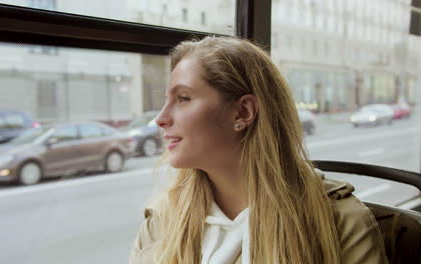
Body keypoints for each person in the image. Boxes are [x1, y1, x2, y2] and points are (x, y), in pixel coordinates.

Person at [129, 36, 388, 264]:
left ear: (243, 112)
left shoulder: (340, 222)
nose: (161, 119)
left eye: (183, 98)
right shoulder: (162, 221)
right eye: (167, 100)